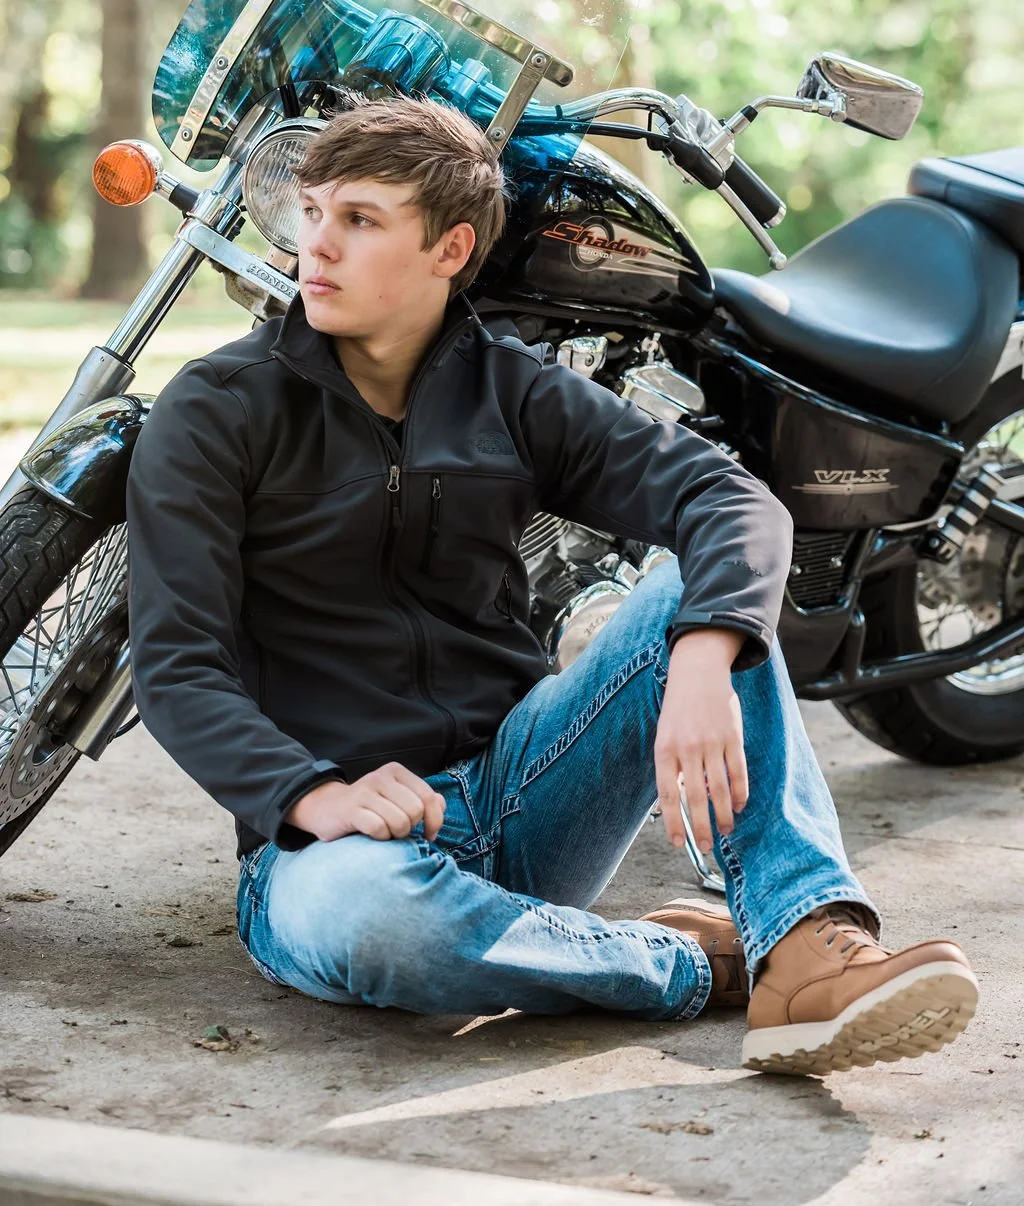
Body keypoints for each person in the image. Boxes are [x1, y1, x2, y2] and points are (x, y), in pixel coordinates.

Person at [126, 93, 978, 1075]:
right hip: (336, 847)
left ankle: (809, 936)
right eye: (314, 212)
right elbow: (177, 666)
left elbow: (732, 503)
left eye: (359, 221)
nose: (316, 245)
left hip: (525, 794)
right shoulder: (217, 411)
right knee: (377, 922)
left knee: (689, 597)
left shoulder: (511, 389)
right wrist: (310, 794)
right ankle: (702, 969)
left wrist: (704, 657)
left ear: (450, 250)